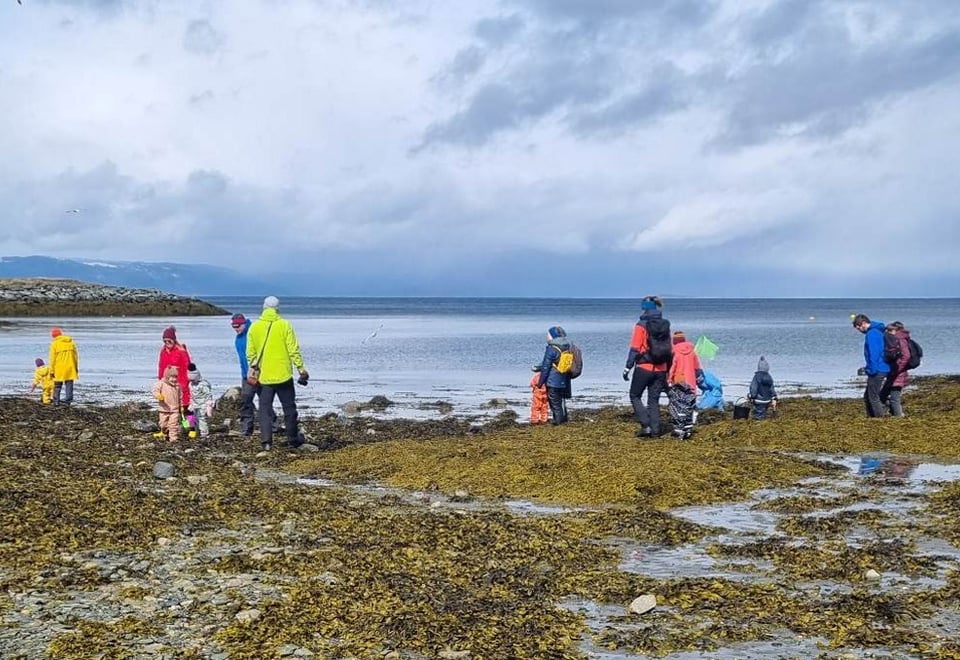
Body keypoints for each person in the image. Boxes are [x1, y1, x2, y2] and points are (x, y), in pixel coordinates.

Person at [245, 296, 309, 450]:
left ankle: (266, 442)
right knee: (289, 408)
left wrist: (255, 366)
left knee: (264, 410)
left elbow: (250, 353)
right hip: (283, 375)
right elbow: (293, 349)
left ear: (264, 307)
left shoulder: (254, 327)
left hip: (264, 377)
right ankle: (293, 439)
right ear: (278, 308)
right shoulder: (285, 325)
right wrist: (301, 368)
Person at [623, 296, 672, 438]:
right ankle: (656, 431)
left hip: (644, 367)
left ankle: (646, 425)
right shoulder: (665, 324)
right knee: (654, 400)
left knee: (635, 395)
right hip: (661, 368)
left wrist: (628, 367)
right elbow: (669, 348)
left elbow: (635, 348)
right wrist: (669, 369)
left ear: (644, 308)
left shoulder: (640, 325)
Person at [231, 313, 277, 436]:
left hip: (260, 373)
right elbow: (242, 359)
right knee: (246, 399)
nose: (236, 329)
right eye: (233, 327)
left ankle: (272, 424)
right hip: (246, 375)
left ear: (244, 323)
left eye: (238, 326)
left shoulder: (254, 332)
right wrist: (244, 374)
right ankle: (247, 428)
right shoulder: (238, 339)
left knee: (265, 400)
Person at [852, 313, 890, 418]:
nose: (859, 330)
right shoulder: (878, 331)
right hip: (883, 367)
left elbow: (874, 353)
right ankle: (873, 417)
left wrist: (871, 370)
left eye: (859, 327)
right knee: (868, 396)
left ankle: (878, 418)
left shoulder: (872, 334)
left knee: (873, 397)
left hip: (878, 368)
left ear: (864, 323)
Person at [536, 326, 571, 425]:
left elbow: (546, 367)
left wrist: (540, 382)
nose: (547, 336)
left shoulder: (551, 349)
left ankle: (558, 422)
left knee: (555, 403)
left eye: (548, 334)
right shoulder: (566, 346)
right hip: (564, 379)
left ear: (552, 336)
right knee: (560, 402)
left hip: (553, 380)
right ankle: (562, 420)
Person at [158, 326, 193, 412]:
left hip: (182, 383)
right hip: (168, 384)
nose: (167, 343)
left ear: (174, 340)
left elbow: (188, 366)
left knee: (187, 408)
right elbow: (161, 367)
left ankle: (191, 425)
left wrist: (186, 383)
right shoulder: (163, 351)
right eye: (165, 341)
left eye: (169, 340)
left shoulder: (181, 351)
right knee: (173, 409)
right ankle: (177, 424)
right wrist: (161, 381)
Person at [879, 321, 911, 417]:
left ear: (896, 330)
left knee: (894, 397)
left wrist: (898, 368)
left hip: (898, 372)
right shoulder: (897, 339)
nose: (888, 332)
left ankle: (898, 416)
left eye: (890, 330)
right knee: (884, 395)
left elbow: (906, 356)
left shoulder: (901, 340)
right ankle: (895, 412)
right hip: (895, 371)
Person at [48, 327, 79, 405]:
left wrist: (51, 371)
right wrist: (75, 368)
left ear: (53, 336)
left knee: (57, 385)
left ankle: (56, 401)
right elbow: (76, 357)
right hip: (70, 367)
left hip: (59, 367)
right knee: (69, 384)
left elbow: (52, 359)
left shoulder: (54, 344)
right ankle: (68, 400)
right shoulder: (71, 343)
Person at [151, 365, 182, 442]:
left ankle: (173, 439)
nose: (174, 379)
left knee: (173, 425)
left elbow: (180, 397)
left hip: (174, 409)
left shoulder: (178, 386)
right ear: (167, 376)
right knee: (163, 424)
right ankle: (165, 433)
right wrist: (158, 395)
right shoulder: (161, 383)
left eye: (175, 377)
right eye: (172, 377)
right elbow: (155, 390)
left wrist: (181, 406)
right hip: (164, 408)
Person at [187, 362, 214, 437]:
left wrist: (209, 405)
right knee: (189, 416)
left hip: (202, 404)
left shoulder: (203, 384)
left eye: (192, 380)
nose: (191, 381)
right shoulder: (190, 384)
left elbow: (208, 395)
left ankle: (203, 433)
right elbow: (191, 394)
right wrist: (191, 403)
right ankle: (191, 429)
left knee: (201, 418)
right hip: (193, 403)